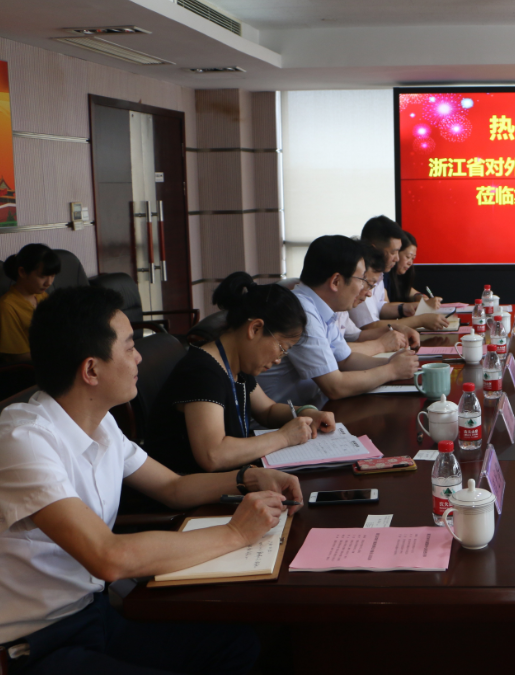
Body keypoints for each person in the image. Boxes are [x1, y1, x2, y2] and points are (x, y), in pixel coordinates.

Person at [0, 285, 302, 674]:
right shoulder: (22, 440)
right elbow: (107, 557)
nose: (139, 356)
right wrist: (236, 534)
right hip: (37, 644)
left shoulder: (102, 424)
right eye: (129, 347)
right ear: (91, 370)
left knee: (237, 645)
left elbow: (173, 488)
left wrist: (248, 478)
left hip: (94, 616)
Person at [145, 274, 338, 475]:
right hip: (187, 486)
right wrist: (283, 437)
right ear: (255, 328)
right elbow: (213, 455)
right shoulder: (202, 372)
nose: (278, 360)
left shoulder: (236, 364)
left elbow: (268, 410)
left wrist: (306, 412)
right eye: (282, 348)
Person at [257, 235, 419, 408]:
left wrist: (394, 362)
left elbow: (346, 360)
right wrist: (392, 370)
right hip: (284, 417)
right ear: (336, 281)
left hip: (312, 408)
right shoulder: (302, 311)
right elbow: (335, 386)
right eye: (361, 280)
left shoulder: (322, 308)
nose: (364, 289)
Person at [348, 216, 446, 334]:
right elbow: (370, 326)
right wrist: (420, 320)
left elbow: (378, 306)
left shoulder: (379, 274)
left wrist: (404, 308)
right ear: (374, 249)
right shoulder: (360, 276)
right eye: (393, 252)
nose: (397, 258)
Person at [335, 247, 412, 354]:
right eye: (363, 282)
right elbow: (333, 351)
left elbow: (356, 336)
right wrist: (381, 345)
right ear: (336, 280)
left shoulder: (340, 310)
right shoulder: (314, 312)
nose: (369, 293)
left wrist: (396, 328)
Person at [0, 244, 60, 363]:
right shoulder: (7, 306)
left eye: (52, 276)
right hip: (29, 367)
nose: (49, 283)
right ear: (22, 272)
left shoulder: (42, 296)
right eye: (42, 276)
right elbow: (19, 356)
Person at [387, 230, 438, 305]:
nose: (410, 263)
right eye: (408, 257)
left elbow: (409, 291)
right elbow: (385, 307)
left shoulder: (401, 276)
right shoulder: (384, 276)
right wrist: (413, 306)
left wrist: (422, 298)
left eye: (413, 258)